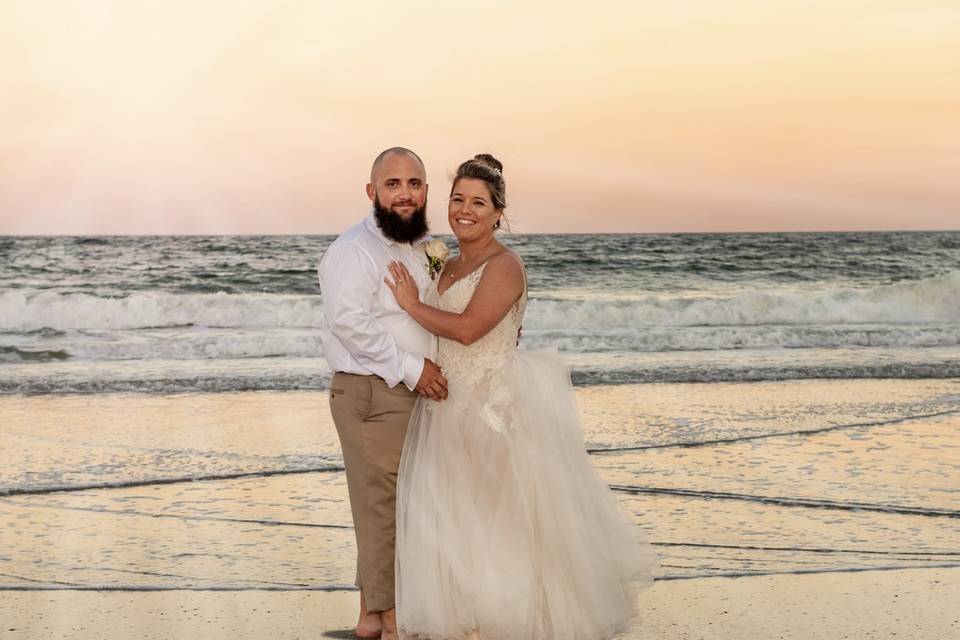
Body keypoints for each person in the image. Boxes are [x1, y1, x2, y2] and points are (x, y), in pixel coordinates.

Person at [384, 154, 657, 640]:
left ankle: (513, 620)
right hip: (446, 406)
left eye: (479, 203)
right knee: (457, 520)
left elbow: (468, 330)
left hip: (490, 405)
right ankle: (472, 618)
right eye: (458, 199)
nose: (465, 210)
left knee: (500, 518)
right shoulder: (445, 263)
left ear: (497, 213)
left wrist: (412, 304)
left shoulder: (505, 265)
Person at [317, 147, 449, 640]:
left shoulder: (420, 246)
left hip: (408, 392)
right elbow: (350, 325)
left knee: (389, 505)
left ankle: (371, 618)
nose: (405, 194)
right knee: (385, 507)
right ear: (371, 192)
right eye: (392, 184)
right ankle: (394, 620)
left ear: (426, 192)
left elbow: (427, 313)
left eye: (414, 183)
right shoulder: (354, 250)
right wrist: (414, 370)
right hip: (373, 391)